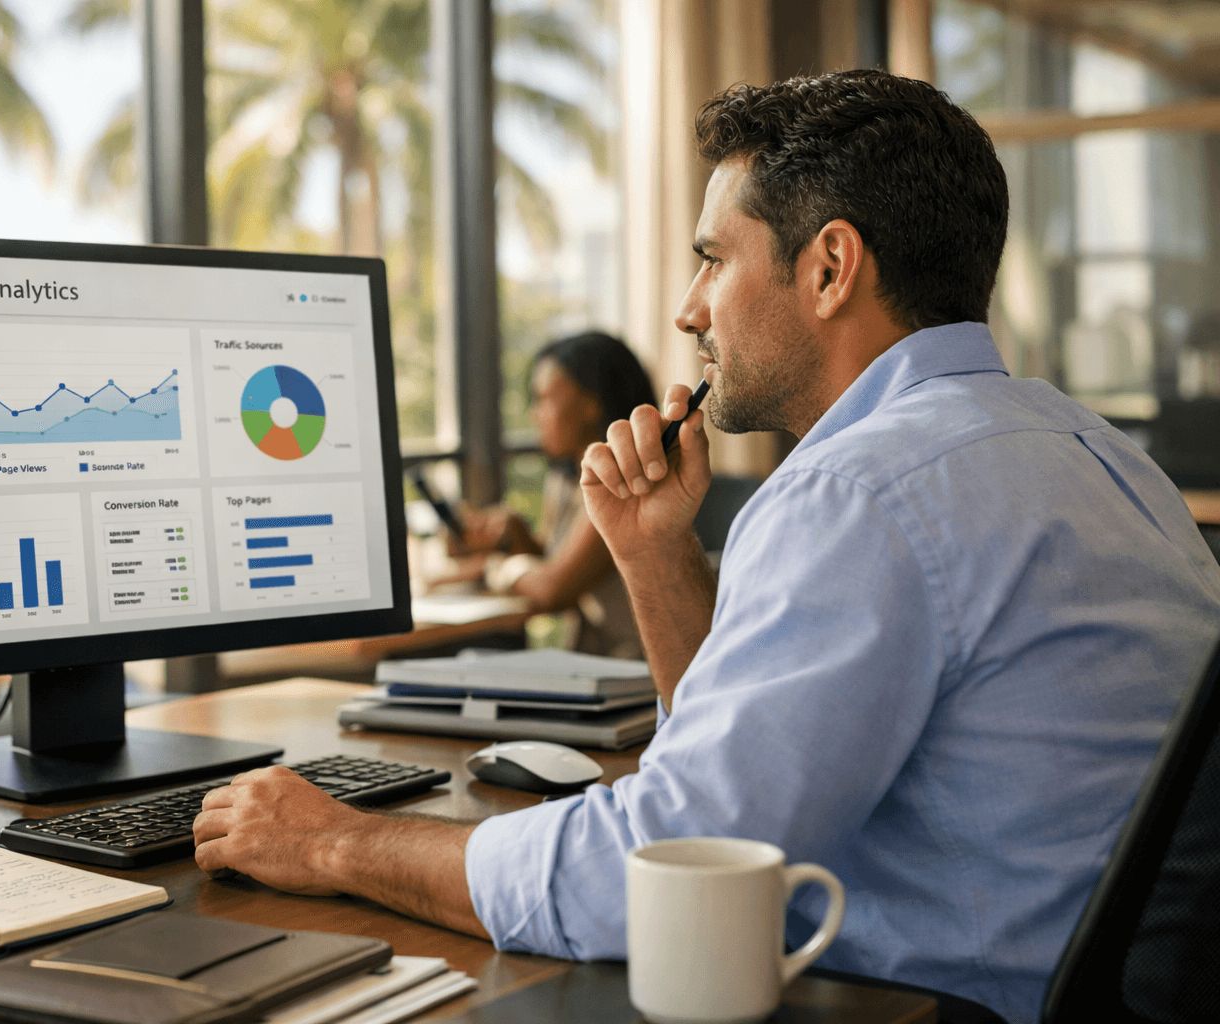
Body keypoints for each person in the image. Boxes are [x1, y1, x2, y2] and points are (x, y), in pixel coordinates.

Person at [190, 70, 1220, 1024]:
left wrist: (335, 838)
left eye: (712, 260)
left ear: (829, 268)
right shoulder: (1098, 454)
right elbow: (749, 763)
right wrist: (655, 555)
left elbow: (659, 868)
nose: (687, 311)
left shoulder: (858, 489)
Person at [440, 331, 655, 658]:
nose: (534, 414)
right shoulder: (568, 479)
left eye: (544, 398)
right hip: (602, 661)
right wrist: (515, 536)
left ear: (591, 403)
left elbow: (555, 590)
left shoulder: (624, 481)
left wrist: (496, 568)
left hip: (638, 670)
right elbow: (560, 564)